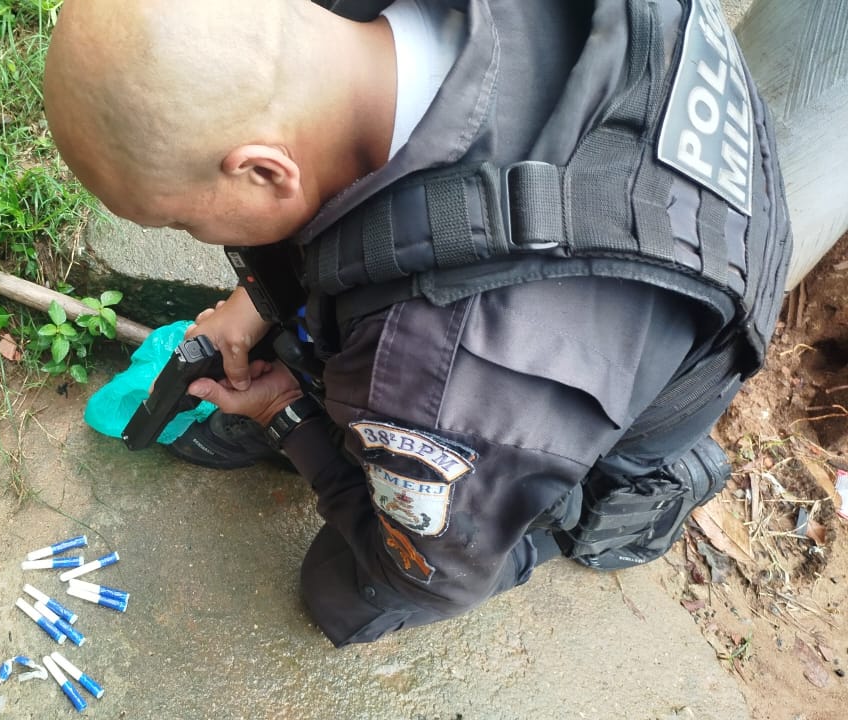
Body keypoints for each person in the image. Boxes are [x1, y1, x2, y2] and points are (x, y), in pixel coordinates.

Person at [43, 0, 791, 646]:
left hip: (634, 372)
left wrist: (285, 415)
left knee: (348, 591)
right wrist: (258, 299)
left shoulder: (439, 381)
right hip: (690, 205)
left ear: (265, 170)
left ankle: (591, 508)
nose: (194, 236)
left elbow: (429, 578)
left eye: (182, 222)